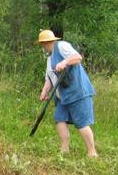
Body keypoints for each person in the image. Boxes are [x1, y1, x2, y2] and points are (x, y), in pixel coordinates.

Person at [37, 29, 97, 157]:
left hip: (77, 93)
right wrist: (44, 91)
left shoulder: (62, 46)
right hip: (62, 97)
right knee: (59, 119)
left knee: (81, 123)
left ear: (48, 42)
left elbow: (77, 57)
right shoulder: (49, 57)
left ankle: (92, 153)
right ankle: (64, 150)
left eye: (43, 43)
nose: (42, 46)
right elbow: (50, 78)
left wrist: (64, 62)